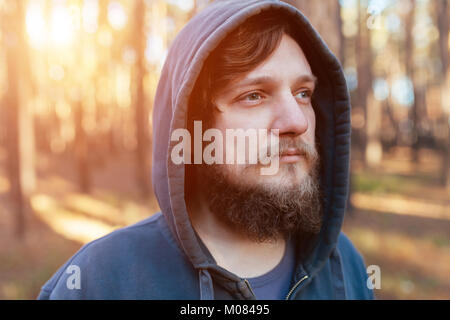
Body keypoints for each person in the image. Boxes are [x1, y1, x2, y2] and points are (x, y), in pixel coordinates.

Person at [38, 0, 374, 300]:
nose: (297, 121)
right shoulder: (100, 282)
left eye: (303, 93)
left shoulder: (345, 267)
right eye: (254, 95)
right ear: (194, 129)